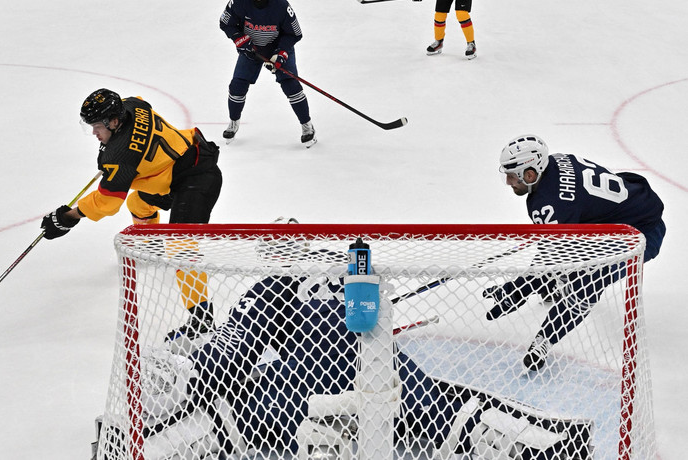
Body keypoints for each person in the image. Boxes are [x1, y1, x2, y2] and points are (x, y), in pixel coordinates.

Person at [121, 270, 592, 458]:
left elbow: (231, 354)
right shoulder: (354, 275)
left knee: (226, 409)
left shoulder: (264, 290)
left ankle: (149, 444)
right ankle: (550, 441)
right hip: (379, 374)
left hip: (299, 388)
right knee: (455, 405)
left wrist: (198, 364)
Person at [41, 89, 222, 340]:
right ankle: (153, 249)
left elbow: (108, 202)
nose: (94, 133)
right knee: (139, 203)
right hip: (175, 171)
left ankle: (202, 320)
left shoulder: (120, 155)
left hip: (198, 177)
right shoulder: (132, 106)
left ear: (114, 122)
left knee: (181, 247)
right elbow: (141, 104)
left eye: (96, 127)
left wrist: (69, 217)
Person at [489, 134, 666, 370]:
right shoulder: (556, 160)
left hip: (641, 233)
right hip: (628, 207)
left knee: (586, 282)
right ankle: (551, 286)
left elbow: (549, 257)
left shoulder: (548, 204)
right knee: (565, 264)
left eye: (512, 176)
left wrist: (515, 290)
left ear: (530, 174)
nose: (509, 182)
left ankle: (545, 339)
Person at [218, 0, 316, 148]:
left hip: (277, 48)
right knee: (237, 85)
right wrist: (239, 39)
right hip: (251, 48)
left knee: (291, 85)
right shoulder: (238, 2)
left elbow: (295, 33)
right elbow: (226, 23)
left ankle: (307, 125)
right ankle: (234, 122)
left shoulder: (280, 4)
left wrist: (281, 53)